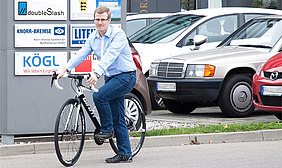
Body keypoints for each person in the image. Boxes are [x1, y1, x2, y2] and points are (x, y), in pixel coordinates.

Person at [56, 6, 136, 163]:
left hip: (126, 76)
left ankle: (107, 129)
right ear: (94, 20)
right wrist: (65, 68)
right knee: (117, 115)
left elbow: (109, 56)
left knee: (99, 96)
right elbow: (82, 53)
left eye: (103, 20)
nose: (100, 23)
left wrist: (96, 72)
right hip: (111, 77)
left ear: (109, 20)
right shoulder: (93, 37)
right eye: (97, 20)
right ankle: (125, 153)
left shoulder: (118, 34)